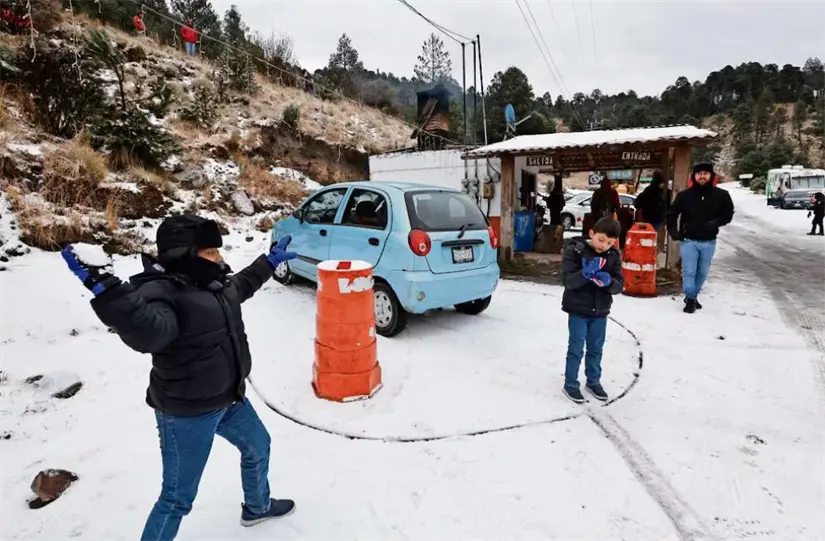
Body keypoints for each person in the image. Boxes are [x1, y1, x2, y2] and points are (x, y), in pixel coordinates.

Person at [59, 215, 298, 541]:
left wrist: (268, 262)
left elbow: (240, 286)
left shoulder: (214, 282)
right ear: (184, 253)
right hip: (186, 413)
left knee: (258, 446)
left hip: (228, 398)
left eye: (218, 251)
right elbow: (151, 333)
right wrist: (110, 292)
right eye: (211, 252)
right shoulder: (159, 292)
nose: (220, 258)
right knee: (177, 498)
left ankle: (256, 507)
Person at [560, 217, 625, 404]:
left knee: (596, 349)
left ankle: (593, 381)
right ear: (591, 234)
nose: (604, 245)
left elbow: (620, 285)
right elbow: (568, 282)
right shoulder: (575, 251)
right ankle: (571, 383)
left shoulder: (613, 256)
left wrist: (610, 282)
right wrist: (584, 274)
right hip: (578, 310)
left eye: (610, 242)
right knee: (576, 348)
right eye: (601, 240)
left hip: (600, 312)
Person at [666, 162, 735, 314]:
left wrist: (716, 222)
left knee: (702, 272)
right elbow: (671, 214)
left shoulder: (722, 195)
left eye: (705, 173)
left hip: (709, 241)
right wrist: (674, 231)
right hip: (689, 241)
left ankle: (692, 296)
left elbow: (728, 214)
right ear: (694, 176)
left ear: (711, 176)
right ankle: (690, 300)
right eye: (699, 174)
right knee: (689, 271)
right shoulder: (685, 196)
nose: (702, 176)